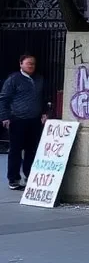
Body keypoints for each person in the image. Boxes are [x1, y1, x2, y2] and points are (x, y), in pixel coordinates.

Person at [0, 55, 49, 190]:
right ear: (21, 64)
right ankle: (13, 179)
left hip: (34, 120)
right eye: (28, 64)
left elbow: (43, 97)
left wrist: (45, 112)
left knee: (31, 149)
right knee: (15, 150)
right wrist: (5, 117)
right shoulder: (14, 79)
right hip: (17, 119)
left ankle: (29, 175)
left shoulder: (39, 79)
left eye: (33, 64)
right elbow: (4, 99)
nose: (31, 66)